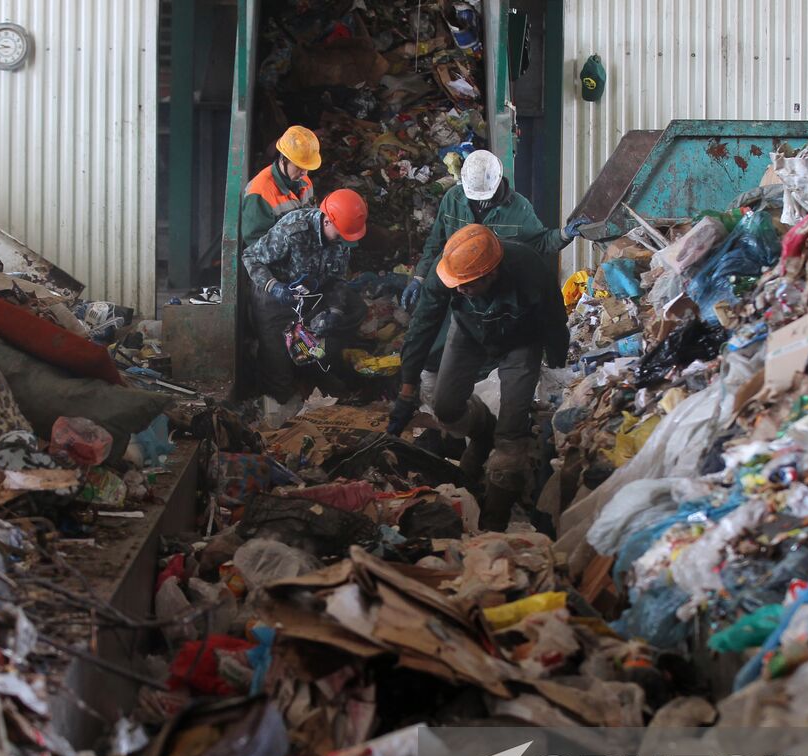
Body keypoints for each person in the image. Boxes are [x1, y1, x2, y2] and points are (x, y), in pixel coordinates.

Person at [389, 225, 567, 531]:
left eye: (468, 285)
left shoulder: (530, 270)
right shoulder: (447, 272)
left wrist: (558, 369)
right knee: (444, 407)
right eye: (456, 284)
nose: (459, 289)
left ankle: (492, 522)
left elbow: (555, 321)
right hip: (468, 331)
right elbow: (422, 326)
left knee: (511, 438)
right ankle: (483, 430)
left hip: (521, 341)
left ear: (492, 273)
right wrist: (407, 391)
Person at [400, 148, 589, 407]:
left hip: (498, 296)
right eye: (474, 199)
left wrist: (565, 234)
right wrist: (420, 277)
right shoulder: (453, 199)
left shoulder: (519, 209)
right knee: (439, 345)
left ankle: (487, 401)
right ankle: (442, 406)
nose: (479, 204)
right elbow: (437, 242)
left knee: (500, 356)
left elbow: (540, 242)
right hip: (458, 290)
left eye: (484, 199)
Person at [242, 189, 370, 407]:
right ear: (328, 221)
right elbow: (251, 257)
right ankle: (277, 375)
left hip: (309, 297)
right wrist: (274, 287)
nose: (343, 241)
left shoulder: (341, 240)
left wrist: (334, 311)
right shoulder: (294, 230)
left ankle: (315, 371)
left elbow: (338, 280)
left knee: (352, 312)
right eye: (340, 235)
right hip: (275, 299)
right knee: (279, 378)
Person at [241, 125, 321, 247]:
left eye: (307, 168)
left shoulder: (305, 180)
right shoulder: (260, 194)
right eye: (299, 166)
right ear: (283, 159)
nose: (305, 173)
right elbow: (256, 246)